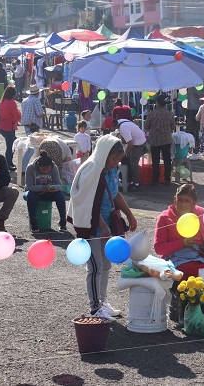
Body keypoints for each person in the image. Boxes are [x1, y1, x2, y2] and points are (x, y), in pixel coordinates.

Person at [67, 135, 137, 320]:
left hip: (107, 226)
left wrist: (129, 214)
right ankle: (95, 307)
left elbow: (115, 194)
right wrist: (103, 226)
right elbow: (86, 202)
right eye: (113, 159)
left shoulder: (111, 170)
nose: (115, 163)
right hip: (91, 227)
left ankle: (102, 301)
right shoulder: (92, 169)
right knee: (95, 267)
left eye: (118, 160)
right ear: (104, 154)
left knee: (105, 265)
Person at [153, 184, 204, 324]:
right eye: (180, 200)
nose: (183, 204)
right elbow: (159, 248)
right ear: (175, 199)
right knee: (188, 271)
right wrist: (182, 243)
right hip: (174, 256)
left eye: (187, 201)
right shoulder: (165, 218)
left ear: (194, 203)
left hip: (199, 253)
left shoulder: (201, 213)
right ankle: (184, 315)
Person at [25, 151, 66, 232]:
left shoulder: (54, 167)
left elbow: (59, 184)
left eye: (48, 169)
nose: (46, 171)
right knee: (31, 197)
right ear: (38, 166)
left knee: (60, 195)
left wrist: (55, 188)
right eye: (43, 169)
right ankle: (33, 222)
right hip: (34, 192)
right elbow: (29, 186)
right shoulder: (30, 168)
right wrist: (42, 188)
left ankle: (63, 221)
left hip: (49, 192)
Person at [144, 94, 176, 185]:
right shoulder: (170, 114)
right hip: (166, 139)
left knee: (155, 160)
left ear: (157, 103)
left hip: (154, 139)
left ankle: (155, 179)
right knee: (167, 159)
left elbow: (146, 126)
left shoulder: (151, 114)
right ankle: (167, 178)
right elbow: (173, 127)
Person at [115, 108, 147, 191]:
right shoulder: (122, 122)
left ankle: (137, 183)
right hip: (137, 140)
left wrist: (125, 152)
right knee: (128, 160)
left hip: (138, 143)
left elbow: (130, 143)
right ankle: (129, 179)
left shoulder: (123, 128)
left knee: (133, 162)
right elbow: (125, 141)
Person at [0, 86, 21, 171]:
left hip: (2, 126)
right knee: (11, 146)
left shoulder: (2, 101)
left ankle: (9, 162)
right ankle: (7, 164)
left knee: (12, 144)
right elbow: (17, 115)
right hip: (8, 126)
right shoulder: (11, 102)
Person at [186, 85, 204, 150]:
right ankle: (192, 147)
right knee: (192, 130)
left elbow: (202, 95)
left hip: (196, 109)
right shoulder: (190, 84)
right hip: (191, 109)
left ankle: (196, 147)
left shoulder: (198, 83)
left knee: (196, 129)